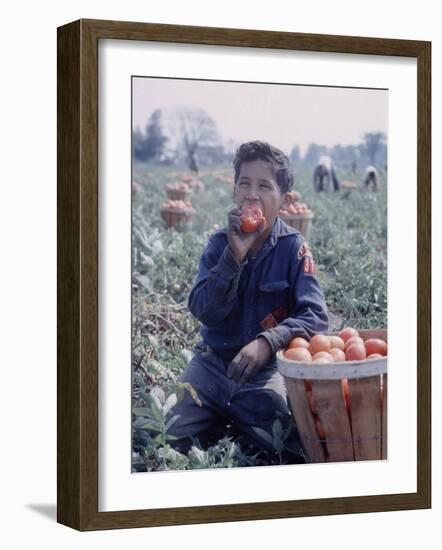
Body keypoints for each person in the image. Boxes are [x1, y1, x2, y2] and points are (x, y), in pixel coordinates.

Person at [169, 140, 329, 463]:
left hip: (262, 375)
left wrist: (269, 342)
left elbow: (315, 315)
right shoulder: (218, 244)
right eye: (244, 183)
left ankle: (232, 424)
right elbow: (201, 308)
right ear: (234, 192)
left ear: (282, 201)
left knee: (287, 442)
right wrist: (233, 256)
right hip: (211, 366)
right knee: (164, 430)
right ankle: (216, 421)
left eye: (264, 186)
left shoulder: (293, 249)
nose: (252, 194)